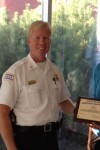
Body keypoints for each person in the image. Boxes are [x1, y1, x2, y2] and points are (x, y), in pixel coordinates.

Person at [0, 20, 75, 150]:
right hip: (26, 141)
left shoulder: (54, 70)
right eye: (37, 38)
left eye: (46, 38)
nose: (42, 42)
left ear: (50, 42)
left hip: (51, 139)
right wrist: (11, 148)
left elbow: (63, 102)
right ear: (29, 41)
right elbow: (2, 112)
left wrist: (84, 113)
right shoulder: (16, 72)